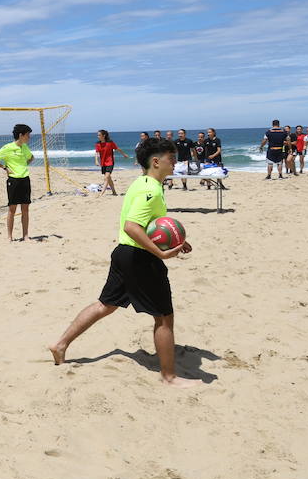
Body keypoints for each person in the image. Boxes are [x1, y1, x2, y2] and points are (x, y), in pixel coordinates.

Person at [48, 136, 201, 388]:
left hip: (124, 254)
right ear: (156, 161)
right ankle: (169, 376)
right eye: (171, 159)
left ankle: (60, 344)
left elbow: (149, 225)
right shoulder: (151, 189)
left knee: (105, 305)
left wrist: (175, 240)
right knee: (164, 317)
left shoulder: (140, 183)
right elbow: (132, 226)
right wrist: (161, 253)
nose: (175, 163)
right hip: (140, 258)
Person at [0, 124, 34, 241]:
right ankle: (10, 237)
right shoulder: (8, 147)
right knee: (12, 209)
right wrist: (5, 168)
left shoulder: (25, 147)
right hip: (13, 180)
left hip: (25, 179)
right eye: (28, 135)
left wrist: (23, 166)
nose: (29, 137)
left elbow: (31, 158)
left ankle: (25, 236)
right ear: (21, 135)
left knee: (25, 209)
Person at [94, 130, 131, 196]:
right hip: (103, 163)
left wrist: (124, 154)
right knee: (109, 178)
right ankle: (114, 192)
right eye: (98, 135)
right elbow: (96, 153)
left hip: (110, 162)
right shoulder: (97, 144)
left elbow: (117, 149)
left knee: (106, 177)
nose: (98, 136)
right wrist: (96, 160)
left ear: (104, 135)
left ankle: (102, 193)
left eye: (99, 135)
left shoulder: (110, 143)